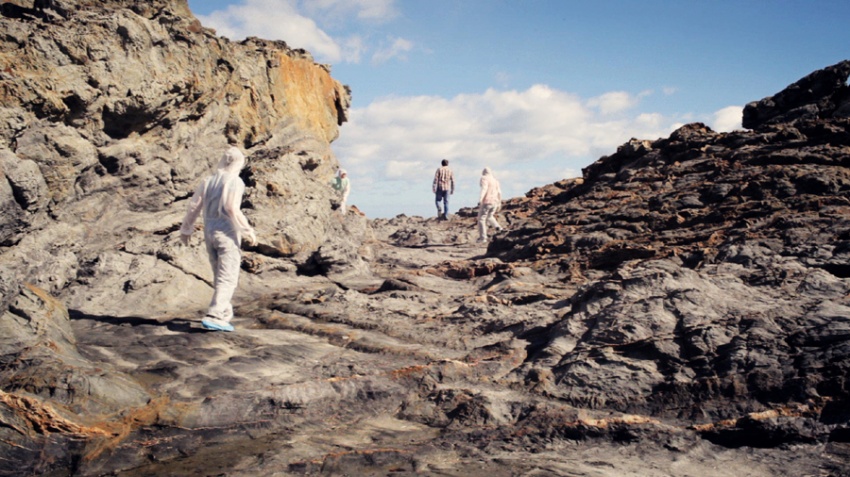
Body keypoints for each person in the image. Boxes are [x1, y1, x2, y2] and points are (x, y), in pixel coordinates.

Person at [179, 146, 257, 332]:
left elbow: (194, 206)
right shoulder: (235, 181)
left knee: (219, 275)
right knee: (228, 278)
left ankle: (224, 314)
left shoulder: (208, 181)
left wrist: (186, 228)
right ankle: (214, 315)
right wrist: (247, 229)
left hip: (209, 233)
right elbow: (231, 207)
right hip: (227, 234)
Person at [477, 167, 503, 243]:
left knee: (481, 219)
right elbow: (499, 192)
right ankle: (499, 228)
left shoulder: (484, 178)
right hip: (495, 202)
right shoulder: (495, 180)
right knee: (490, 216)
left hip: (487, 201)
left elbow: (484, 189)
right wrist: (499, 202)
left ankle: (483, 238)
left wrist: (480, 199)